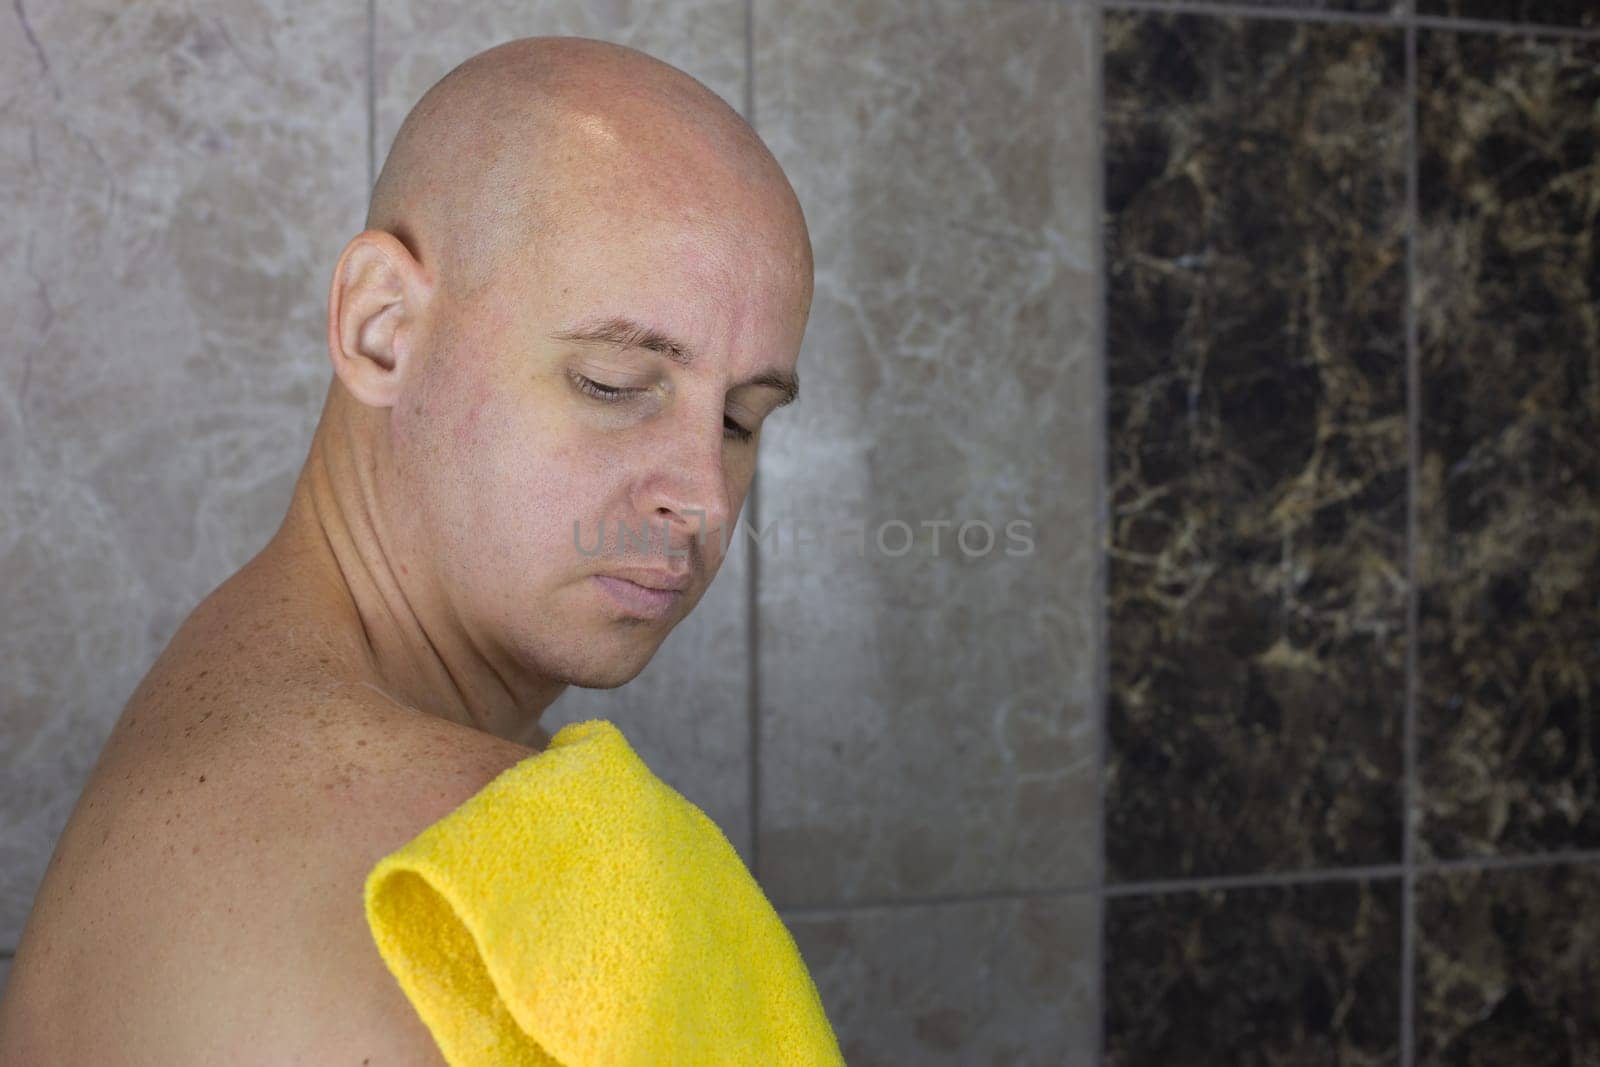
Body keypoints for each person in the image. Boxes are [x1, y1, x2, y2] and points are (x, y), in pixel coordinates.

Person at [0, 35, 813, 1064]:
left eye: (741, 420)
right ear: (382, 327)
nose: (701, 496)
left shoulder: (179, 749)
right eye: (613, 381)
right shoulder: (531, 868)